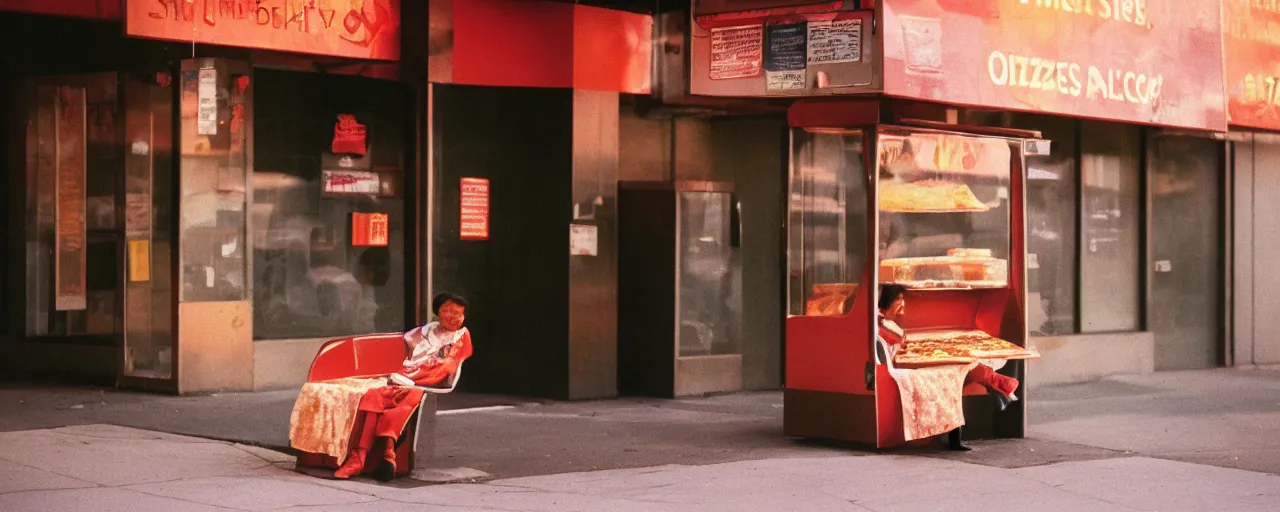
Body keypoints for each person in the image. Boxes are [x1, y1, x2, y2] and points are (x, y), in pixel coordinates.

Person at [331, 292, 473, 480]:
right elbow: (408, 353)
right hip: (405, 377)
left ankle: (388, 453)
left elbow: (447, 366)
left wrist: (415, 377)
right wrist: (404, 375)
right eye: (448, 311)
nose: (454, 317)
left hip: (425, 382)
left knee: (403, 403)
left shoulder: (461, 336)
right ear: (438, 312)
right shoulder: (425, 331)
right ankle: (360, 456)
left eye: (459, 313)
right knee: (373, 395)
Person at [877, 284, 1019, 451]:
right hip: (901, 364)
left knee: (957, 365)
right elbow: (902, 343)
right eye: (899, 300)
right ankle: (997, 384)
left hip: (902, 359)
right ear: (888, 301)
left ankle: (997, 386)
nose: (903, 305)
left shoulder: (884, 322)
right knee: (958, 364)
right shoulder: (884, 324)